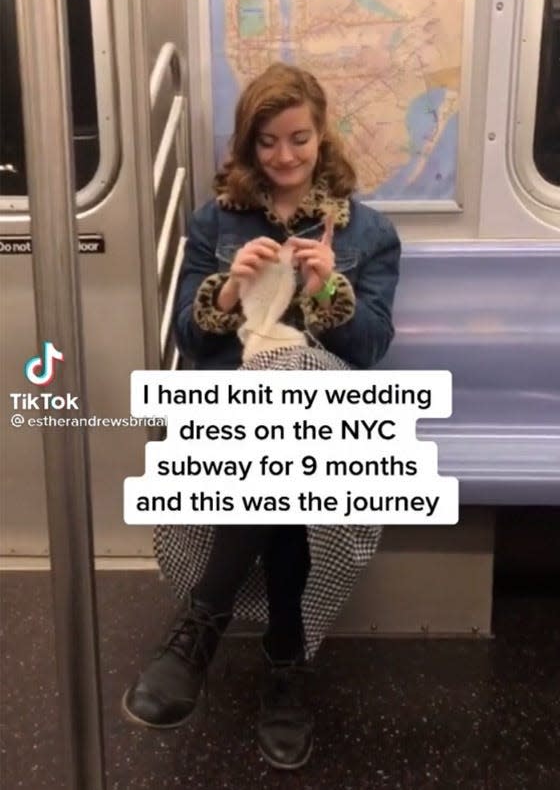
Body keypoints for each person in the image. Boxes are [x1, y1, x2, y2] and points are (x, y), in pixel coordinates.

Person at [121, 63, 401, 770]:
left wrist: (328, 288)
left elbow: (368, 349)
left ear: (320, 134)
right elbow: (191, 341)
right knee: (278, 450)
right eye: (268, 142)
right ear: (249, 146)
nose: (284, 157)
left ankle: (202, 623)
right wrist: (226, 291)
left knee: (287, 403)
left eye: (298, 139)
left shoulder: (367, 232)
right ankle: (284, 664)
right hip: (237, 405)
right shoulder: (216, 221)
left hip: (326, 404)